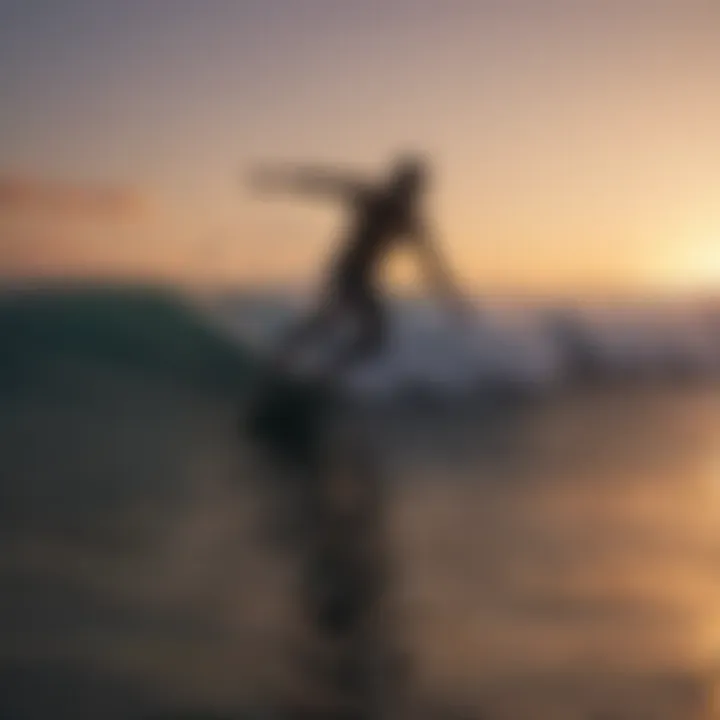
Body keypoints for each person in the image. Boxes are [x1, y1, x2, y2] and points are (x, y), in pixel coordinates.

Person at [248, 155, 468, 378]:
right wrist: (279, 181)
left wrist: (451, 299)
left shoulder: (408, 219)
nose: (407, 193)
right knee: (346, 328)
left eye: (412, 189)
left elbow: (430, 263)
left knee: (361, 334)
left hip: (362, 279)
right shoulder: (375, 199)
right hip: (348, 273)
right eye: (406, 186)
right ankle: (290, 365)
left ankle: (313, 371)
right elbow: (325, 184)